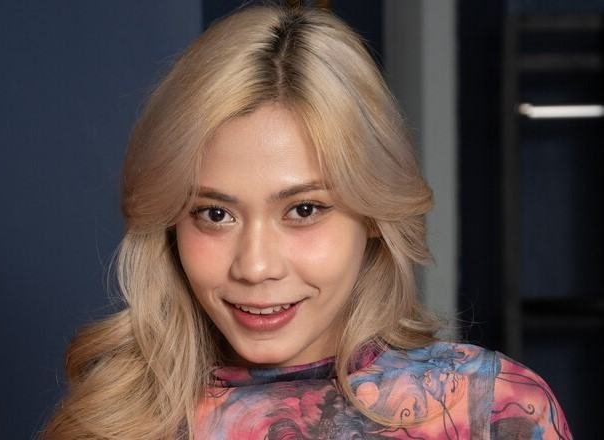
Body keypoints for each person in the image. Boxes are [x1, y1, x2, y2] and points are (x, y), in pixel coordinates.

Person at [42, 4, 572, 439]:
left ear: (373, 212)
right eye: (215, 214)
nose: (256, 266)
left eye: (303, 210)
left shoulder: (492, 409)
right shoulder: (113, 422)